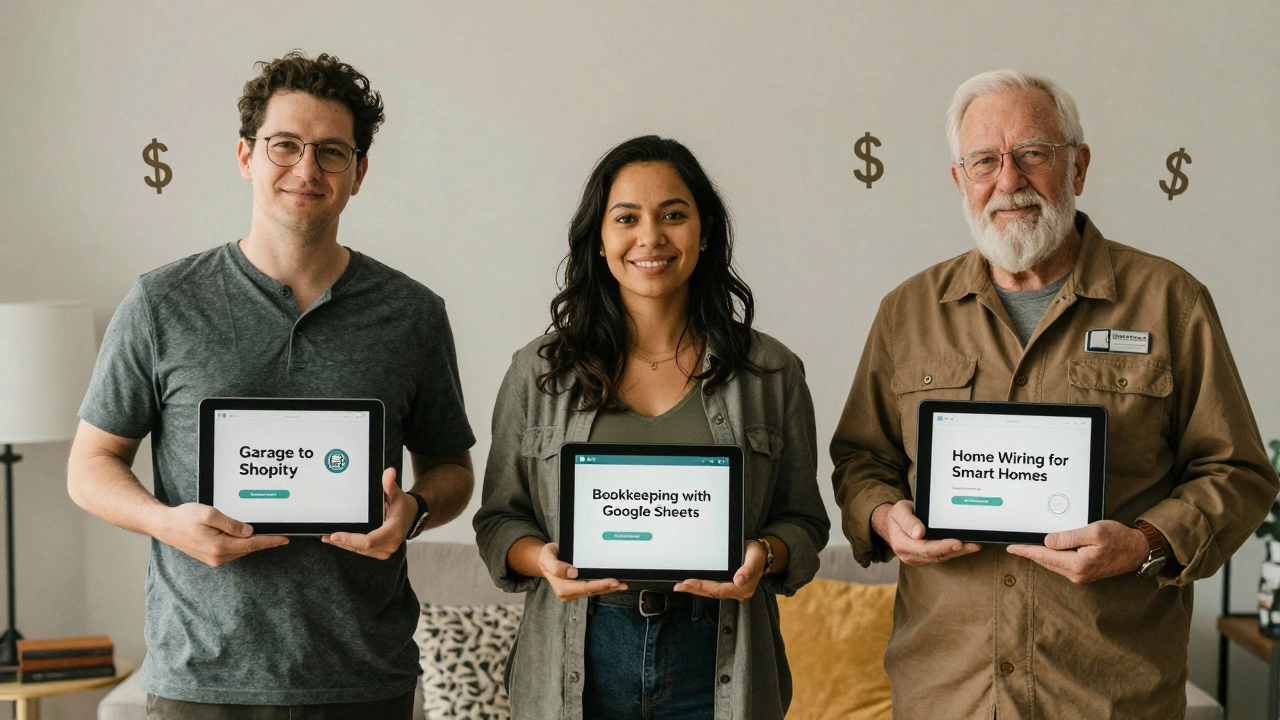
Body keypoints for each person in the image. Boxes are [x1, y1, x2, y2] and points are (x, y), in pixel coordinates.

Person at [830, 69, 1279, 720]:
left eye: (1033, 154)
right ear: (961, 179)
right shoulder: (907, 312)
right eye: (985, 160)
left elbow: (1238, 472)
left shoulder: (1169, 301)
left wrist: (1148, 541)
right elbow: (860, 460)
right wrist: (880, 516)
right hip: (945, 694)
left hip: (1109, 694)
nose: (1008, 182)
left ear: (1079, 166)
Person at [66, 52, 476, 719]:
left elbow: (451, 469)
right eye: (284, 145)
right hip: (201, 679)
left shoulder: (412, 314)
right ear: (245, 156)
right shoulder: (162, 302)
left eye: (332, 152)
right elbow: (89, 466)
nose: (306, 169)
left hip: (363, 679)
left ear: (358, 173)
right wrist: (167, 524)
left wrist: (415, 512)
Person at [474, 136, 829, 719]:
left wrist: (763, 553)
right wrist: (542, 560)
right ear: (599, 241)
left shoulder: (771, 372)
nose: (651, 237)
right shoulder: (539, 372)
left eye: (673, 215)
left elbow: (805, 523)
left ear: (705, 232)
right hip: (580, 659)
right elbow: (498, 521)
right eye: (627, 218)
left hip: (718, 659)